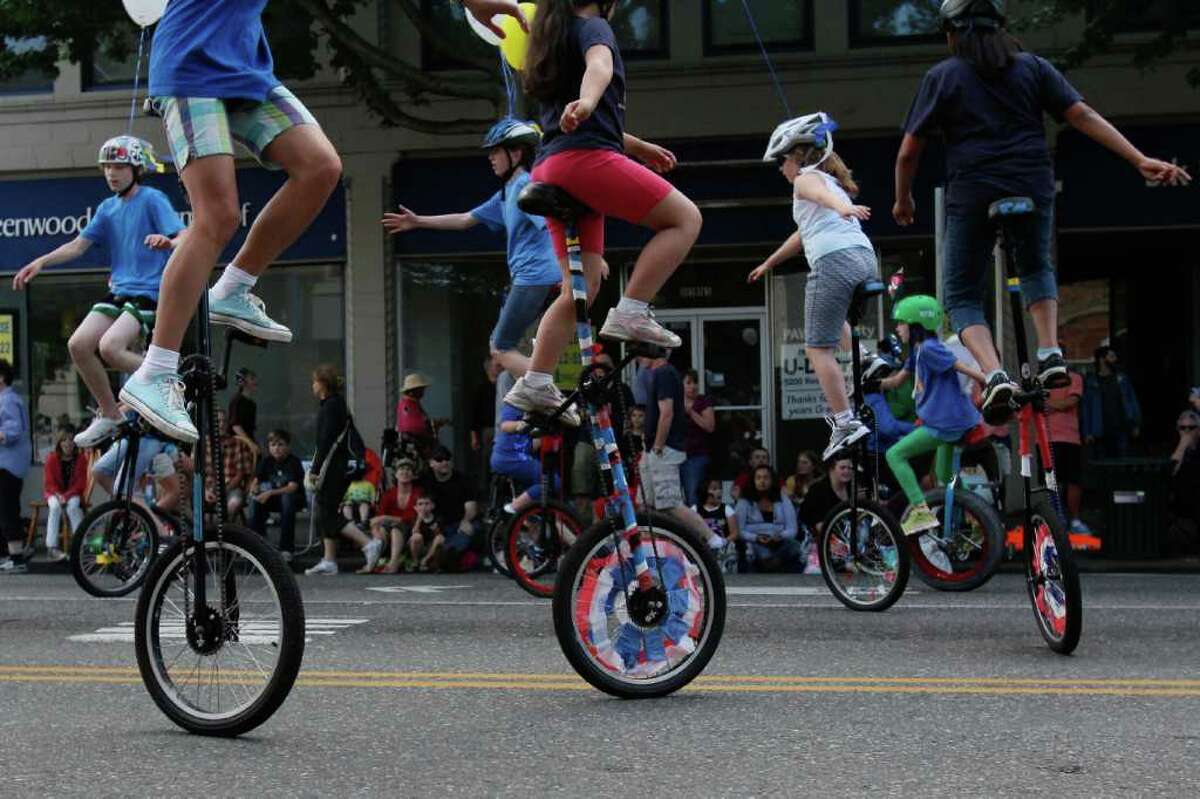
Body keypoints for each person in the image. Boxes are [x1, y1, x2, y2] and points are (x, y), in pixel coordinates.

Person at [893, 0, 1190, 421]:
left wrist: (903, 200)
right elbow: (1082, 114)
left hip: (973, 192)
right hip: (1031, 184)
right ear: (1000, 29)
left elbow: (908, 153)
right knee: (1035, 266)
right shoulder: (1032, 67)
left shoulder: (943, 76)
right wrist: (1138, 159)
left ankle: (994, 373)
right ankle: (1050, 352)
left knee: (960, 294)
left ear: (952, 33)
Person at [120, 0, 343, 444]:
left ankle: (234, 286)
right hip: (189, 67)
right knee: (217, 216)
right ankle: (155, 370)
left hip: (245, 71)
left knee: (321, 166)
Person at [503, 0, 702, 422]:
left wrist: (639, 146)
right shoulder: (592, 27)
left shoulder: (552, 42)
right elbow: (599, 69)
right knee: (685, 220)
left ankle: (535, 380)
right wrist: (591, 101)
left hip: (552, 168)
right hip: (584, 162)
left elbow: (573, 118)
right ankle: (632, 310)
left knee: (582, 286)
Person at [14, 137, 184, 448]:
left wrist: (167, 242)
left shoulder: (152, 199)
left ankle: (169, 378)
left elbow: (185, 238)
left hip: (149, 291)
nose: (111, 173)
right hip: (119, 291)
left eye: (119, 166)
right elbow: (78, 246)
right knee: (78, 344)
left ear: (137, 168)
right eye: (107, 167)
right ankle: (111, 414)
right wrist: (41, 261)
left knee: (110, 348)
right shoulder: (108, 207)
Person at [383, 120, 561, 380]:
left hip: (534, 276)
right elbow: (465, 219)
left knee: (499, 346)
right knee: (518, 345)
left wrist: (576, 263)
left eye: (496, 151)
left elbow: (551, 225)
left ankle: (547, 388)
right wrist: (418, 221)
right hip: (534, 278)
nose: (490, 157)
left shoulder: (525, 186)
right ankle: (539, 391)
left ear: (516, 153)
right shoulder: (505, 193)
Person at [748, 112, 877, 459]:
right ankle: (866, 358)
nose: (781, 169)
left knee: (816, 348)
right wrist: (769, 263)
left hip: (834, 260)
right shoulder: (828, 181)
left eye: (781, 161)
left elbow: (821, 196)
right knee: (831, 317)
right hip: (864, 259)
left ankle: (845, 422)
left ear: (795, 156)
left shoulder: (807, 179)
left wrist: (844, 207)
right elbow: (802, 233)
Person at [880, 295, 985, 537]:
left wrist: (983, 377)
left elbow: (956, 364)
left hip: (944, 423)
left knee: (894, 455)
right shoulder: (918, 352)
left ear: (915, 324)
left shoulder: (929, 349)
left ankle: (920, 510)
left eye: (901, 323)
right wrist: (871, 384)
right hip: (947, 422)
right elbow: (897, 381)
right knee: (945, 476)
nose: (897, 328)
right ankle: (979, 514)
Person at [305, 365, 383, 576]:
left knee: (328, 511)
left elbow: (325, 441)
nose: (312, 385)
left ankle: (367, 543)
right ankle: (329, 560)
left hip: (334, 467)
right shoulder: (335, 404)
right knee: (326, 509)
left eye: (314, 381)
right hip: (338, 465)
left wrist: (315, 468)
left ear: (322, 384)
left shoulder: (331, 406)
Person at [635, 347, 710, 539]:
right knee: (646, 502)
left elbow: (666, 413)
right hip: (654, 447)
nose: (637, 358)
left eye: (641, 352)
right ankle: (649, 544)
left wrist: (659, 446)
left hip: (663, 448)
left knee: (670, 502)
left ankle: (711, 538)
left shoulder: (664, 373)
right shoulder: (659, 374)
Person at [247, 429, 306, 560]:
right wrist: (254, 489)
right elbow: (255, 482)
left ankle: (286, 548)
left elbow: (292, 487)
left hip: (292, 499)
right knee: (255, 500)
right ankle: (258, 545)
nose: (276, 448)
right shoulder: (266, 461)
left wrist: (269, 492)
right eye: (273, 445)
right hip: (272, 500)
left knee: (287, 499)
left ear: (288, 446)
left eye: (280, 444)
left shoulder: (293, 462)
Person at [420, 446, 481, 571]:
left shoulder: (463, 480)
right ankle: (441, 558)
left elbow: (471, 507)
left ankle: (444, 556)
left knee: (469, 529)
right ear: (431, 463)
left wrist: (465, 521)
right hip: (439, 525)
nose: (444, 462)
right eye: (439, 459)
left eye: (447, 459)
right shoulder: (426, 480)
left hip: (459, 523)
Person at [736, 465, 801, 573]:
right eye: (758, 478)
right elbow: (739, 531)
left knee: (794, 546)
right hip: (754, 543)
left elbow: (792, 530)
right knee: (751, 550)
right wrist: (756, 538)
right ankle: (769, 565)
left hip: (778, 542)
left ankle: (772, 565)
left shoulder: (782, 499)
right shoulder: (745, 500)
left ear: (772, 480)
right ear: (753, 481)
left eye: (766, 478)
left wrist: (780, 536)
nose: (762, 481)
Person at [1046, 367, 1088, 534]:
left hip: (1070, 437)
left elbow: (1071, 401)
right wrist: (1057, 405)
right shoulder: (1041, 380)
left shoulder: (1074, 377)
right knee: (1051, 482)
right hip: (1045, 439)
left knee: (1073, 481)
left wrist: (1049, 404)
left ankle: (1075, 520)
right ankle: (1055, 520)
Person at [0, 361, 32, 574]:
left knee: (7, 510)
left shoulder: (7, 399)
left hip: (7, 465)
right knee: (4, 510)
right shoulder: (8, 398)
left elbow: (12, 431)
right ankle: (10, 555)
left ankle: (16, 557)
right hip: (9, 464)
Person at [1082, 346, 1141, 459]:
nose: (1115, 359)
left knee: (1122, 462)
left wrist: (1135, 424)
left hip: (1121, 429)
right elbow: (1086, 408)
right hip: (1099, 430)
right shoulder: (1092, 382)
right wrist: (1087, 432)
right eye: (1111, 356)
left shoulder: (1122, 379)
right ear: (1102, 359)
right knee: (1102, 465)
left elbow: (1132, 401)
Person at [368, 459, 423, 574]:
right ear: (396, 474)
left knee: (395, 529)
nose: (405, 472)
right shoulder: (389, 494)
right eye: (401, 469)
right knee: (381, 528)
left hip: (411, 530)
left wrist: (387, 518)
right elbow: (379, 517)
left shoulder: (418, 493)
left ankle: (393, 563)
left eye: (408, 470)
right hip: (389, 532)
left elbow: (412, 517)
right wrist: (376, 528)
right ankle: (374, 561)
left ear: (413, 475)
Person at [41, 428, 88, 562]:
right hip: (53, 492)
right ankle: (52, 547)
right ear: (59, 443)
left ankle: (81, 546)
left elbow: (81, 483)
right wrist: (58, 495)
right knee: (55, 507)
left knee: (73, 507)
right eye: (64, 440)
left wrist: (66, 496)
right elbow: (49, 483)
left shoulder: (80, 459)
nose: (68, 443)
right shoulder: (51, 458)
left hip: (73, 492)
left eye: (71, 440)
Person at [681, 370, 715, 507]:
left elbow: (710, 426)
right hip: (675, 455)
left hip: (695, 456)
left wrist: (691, 412)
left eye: (695, 382)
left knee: (692, 495)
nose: (692, 386)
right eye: (688, 383)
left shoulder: (703, 401)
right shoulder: (674, 401)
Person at [798, 454, 853, 536]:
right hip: (819, 537)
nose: (847, 471)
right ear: (832, 469)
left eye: (850, 468)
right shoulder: (817, 490)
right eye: (842, 468)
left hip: (846, 534)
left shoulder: (851, 488)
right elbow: (816, 523)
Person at [396, 373, 442, 459]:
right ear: (412, 391)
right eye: (420, 389)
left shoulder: (414, 403)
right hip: (415, 448)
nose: (423, 391)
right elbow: (412, 427)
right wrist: (432, 424)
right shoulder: (407, 405)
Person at [225, 367, 259, 456]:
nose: (255, 381)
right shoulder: (236, 401)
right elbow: (235, 426)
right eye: (251, 378)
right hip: (238, 446)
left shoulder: (252, 404)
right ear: (243, 382)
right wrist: (250, 444)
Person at [407, 495, 445, 572]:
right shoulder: (414, 518)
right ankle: (415, 562)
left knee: (440, 538)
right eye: (420, 504)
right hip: (418, 547)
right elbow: (413, 533)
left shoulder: (437, 518)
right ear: (415, 507)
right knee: (416, 537)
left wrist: (435, 528)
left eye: (427, 503)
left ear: (432, 506)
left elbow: (438, 535)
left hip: (431, 548)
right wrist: (419, 519)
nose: (423, 506)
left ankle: (425, 560)